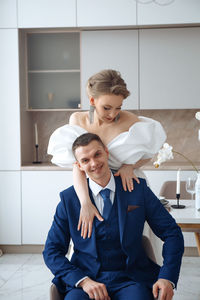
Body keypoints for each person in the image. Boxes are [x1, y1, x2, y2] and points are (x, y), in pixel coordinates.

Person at [43, 133, 184, 300]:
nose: (94, 163)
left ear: (106, 153)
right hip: (86, 279)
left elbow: (172, 233)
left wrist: (167, 277)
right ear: (79, 166)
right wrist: (83, 281)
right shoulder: (69, 200)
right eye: (85, 160)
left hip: (132, 278)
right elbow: (51, 251)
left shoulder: (138, 190)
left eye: (97, 154)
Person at [47, 69, 166, 239]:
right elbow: (78, 166)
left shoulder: (131, 121)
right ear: (92, 100)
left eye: (118, 107)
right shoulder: (77, 120)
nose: (113, 114)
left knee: (134, 240)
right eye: (107, 108)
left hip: (128, 186)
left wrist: (129, 166)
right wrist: (85, 202)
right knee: (88, 240)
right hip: (91, 188)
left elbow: (150, 152)